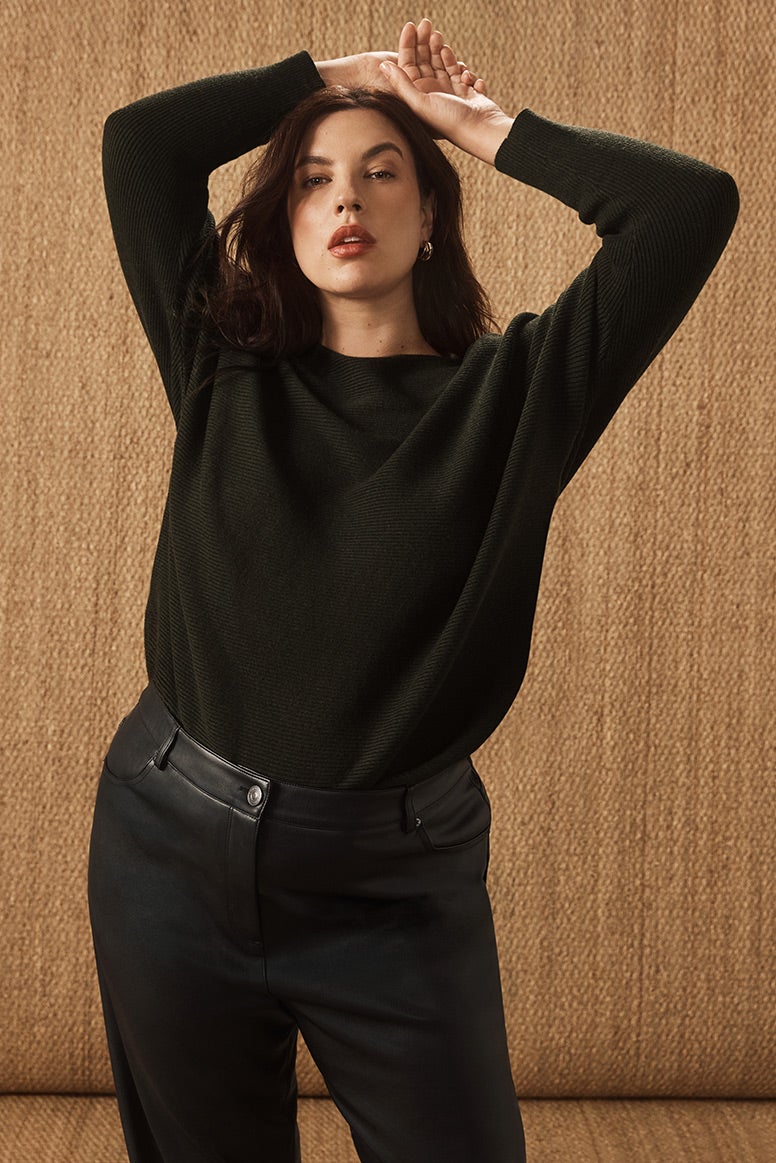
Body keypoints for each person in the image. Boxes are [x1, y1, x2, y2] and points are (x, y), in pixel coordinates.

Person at [87, 17, 738, 1163]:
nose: (347, 198)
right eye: (313, 179)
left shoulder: (514, 399)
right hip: (164, 847)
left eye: (382, 175)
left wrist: (469, 123)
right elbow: (141, 145)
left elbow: (687, 208)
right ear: (283, 221)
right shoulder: (221, 365)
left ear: (428, 215)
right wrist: (336, 81)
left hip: (388, 886)